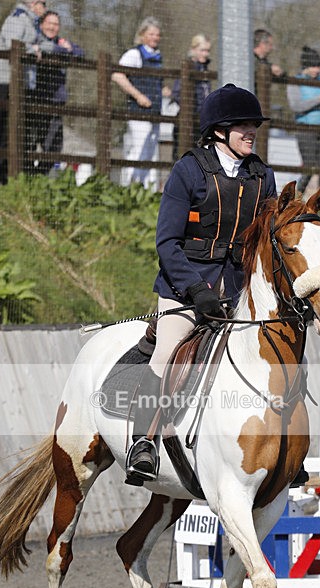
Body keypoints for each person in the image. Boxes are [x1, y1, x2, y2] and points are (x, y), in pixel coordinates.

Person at [125, 83, 277, 484]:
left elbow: (265, 242)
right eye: (241, 126)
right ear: (218, 131)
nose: (251, 133)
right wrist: (197, 292)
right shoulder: (189, 169)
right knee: (168, 352)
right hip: (185, 288)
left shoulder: (262, 176)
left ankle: (283, 450)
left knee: (279, 353)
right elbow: (167, 243)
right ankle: (143, 443)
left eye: (253, 126)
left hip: (240, 291)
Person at [111, 17, 171, 190]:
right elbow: (117, 75)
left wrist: (162, 91)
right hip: (138, 112)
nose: (155, 37)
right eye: (151, 34)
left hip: (155, 112)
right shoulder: (134, 54)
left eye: (158, 34)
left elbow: (151, 82)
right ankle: (128, 188)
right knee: (138, 150)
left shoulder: (158, 57)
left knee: (152, 154)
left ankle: (147, 191)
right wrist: (138, 95)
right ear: (142, 34)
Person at [0, 0, 45, 184]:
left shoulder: (31, 22)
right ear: (32, 3)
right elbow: (11, 46)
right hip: (5, 82)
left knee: (17, 133)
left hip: (19, 84)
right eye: (42, 3)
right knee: (5, 133)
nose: (44, 8)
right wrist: (34, 50)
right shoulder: (17, 19)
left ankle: (8, 178)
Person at [30, 10, 84, 174]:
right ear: (42, 25)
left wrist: (68, 49)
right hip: (36, 99)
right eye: (50, 23)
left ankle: (42, 176)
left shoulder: (62, 41)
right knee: (31, 141)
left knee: (53, 144)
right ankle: (28, 177)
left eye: (56, 24)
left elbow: (80, 53)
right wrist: (63, 50)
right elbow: (49, 49)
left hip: (56, 100)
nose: (53, 27)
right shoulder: (36, 39)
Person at [287, 46, 320, 195]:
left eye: (318, 66)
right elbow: (296, 105)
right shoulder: (296, 82)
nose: (316, 70)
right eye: (313, 66)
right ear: (305, 66)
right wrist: (318, 100)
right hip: (306, 129)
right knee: (309, 167)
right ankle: (296, 197)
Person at [170, 34, 212, 159]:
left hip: (202, 120)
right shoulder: (189, 67)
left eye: (207, 51)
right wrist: (193, 110)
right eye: (202, 50)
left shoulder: (205, 70)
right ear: (193, 50)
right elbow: (177, 93)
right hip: (188, 120)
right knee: (183, 157)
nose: (205, 54)